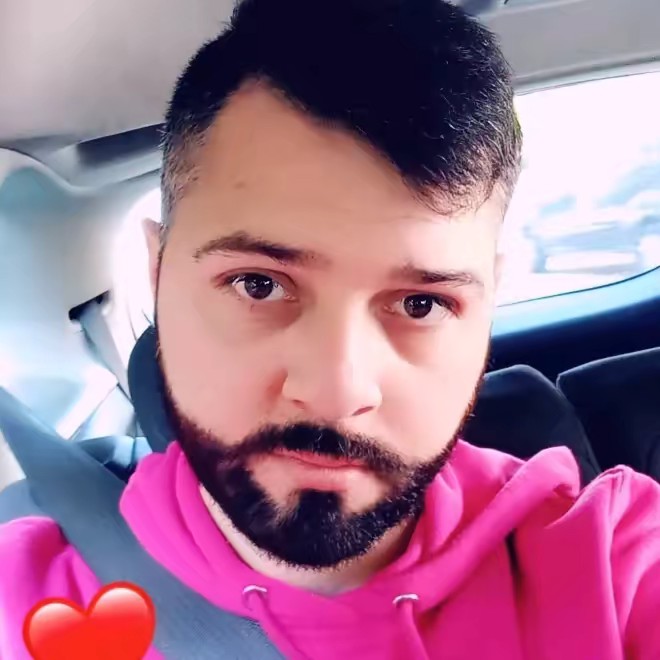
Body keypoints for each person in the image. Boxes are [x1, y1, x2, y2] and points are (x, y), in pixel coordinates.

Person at [1, 0, 659, 658]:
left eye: (421, 304)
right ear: (157, 274)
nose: (337, 393)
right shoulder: (23, 592)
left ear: (486, 305)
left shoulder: (613, 564)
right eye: (258, 285)